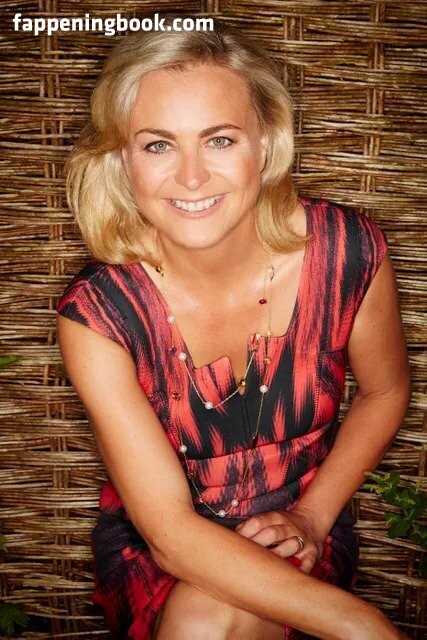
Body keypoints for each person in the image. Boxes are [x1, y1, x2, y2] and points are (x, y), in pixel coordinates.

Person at [56, 15, 411, 640]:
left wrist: (312, 517)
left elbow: (385, 391)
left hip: (305, 523)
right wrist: (366, 627)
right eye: (158, 145)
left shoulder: (348, 253)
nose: (191, 177)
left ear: (266, 143)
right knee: (202, 614)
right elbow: (169, 532)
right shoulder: (99, 314)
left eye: (219, 139)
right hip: (159, 546)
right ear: (121, 158)